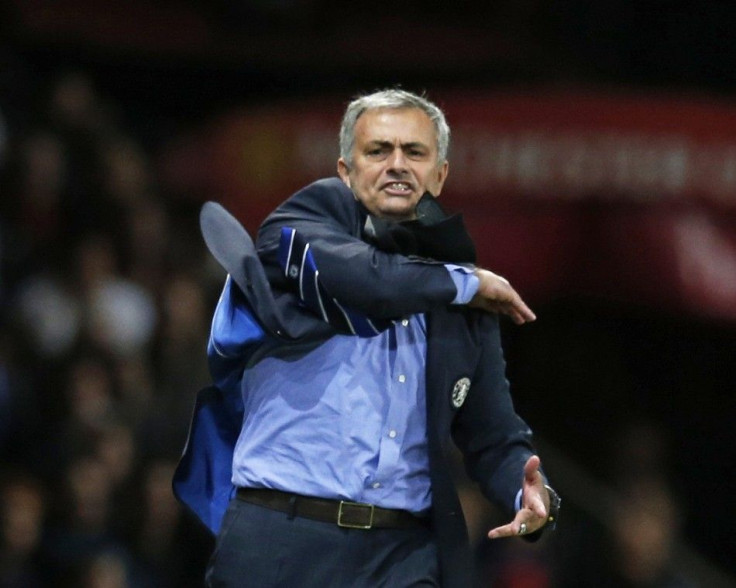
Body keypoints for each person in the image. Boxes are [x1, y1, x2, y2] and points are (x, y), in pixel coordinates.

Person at [173, 89, 560, 587]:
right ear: (344, 170)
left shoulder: (463, 302)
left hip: (402, 557)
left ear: (440, 174)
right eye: (378, 151)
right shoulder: (291, 236)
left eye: (414, 152)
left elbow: (493, 435)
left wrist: (528, 492)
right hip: (282, 542)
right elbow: (374, 282)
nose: (397, 164)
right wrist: (467, 282)